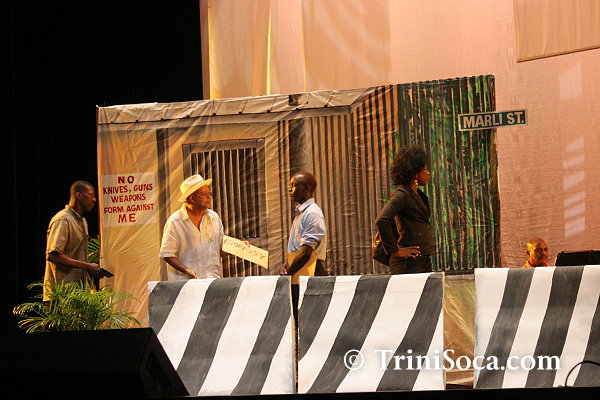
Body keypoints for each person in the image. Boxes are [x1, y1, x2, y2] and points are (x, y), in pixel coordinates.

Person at [375, 147, 436, 274]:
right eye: (425, 169)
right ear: (415, 173)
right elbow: (382, 220)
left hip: (421, 260)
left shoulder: (416, 193)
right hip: (408, 264)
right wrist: (395, 250)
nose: (428, 173)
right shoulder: (402, 194)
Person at [280, 171, 327, 322]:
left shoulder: (312, 213)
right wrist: (287, 264)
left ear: (307, 188)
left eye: (294, 185)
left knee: (308, 319)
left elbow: (306, 251)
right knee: (297, 318)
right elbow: (296, 247)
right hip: (299, 271)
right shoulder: (302, 212)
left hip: (309, 272)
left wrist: (288, 271)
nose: (290, 189)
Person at [44, 181, 103, 300]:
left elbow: (79, 258)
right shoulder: (62, 219)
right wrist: (88, 266)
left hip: (79, 292)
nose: (94, 200)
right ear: (79, 195)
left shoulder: (83, 221)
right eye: (91, 195)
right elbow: (53, 255)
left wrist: (91, 287)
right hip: (62, 293)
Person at [159, 174, 225, 280]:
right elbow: (168, 254)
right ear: (192, 198)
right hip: (186, 283)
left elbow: (220, 249)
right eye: (205, 194)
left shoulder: (214, 217)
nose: (209, 197)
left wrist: (239, 248)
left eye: (209, 193)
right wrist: (187, 271)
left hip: (213, 280)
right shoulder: (175, 221)